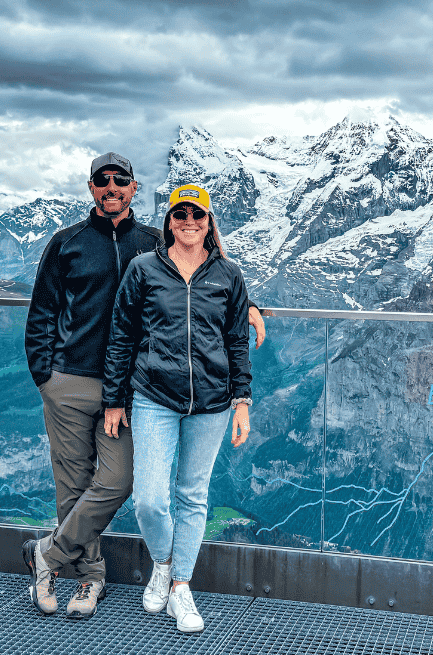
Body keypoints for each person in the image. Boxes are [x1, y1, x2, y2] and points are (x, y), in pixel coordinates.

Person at [23, 156, 264, 620]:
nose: (111, 187)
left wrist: (247, 304)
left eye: (120, 181)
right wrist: (46, 376)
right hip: (71, 382)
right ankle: (89, 580)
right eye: (102, 181)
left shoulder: (155, 242)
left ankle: (47, 555)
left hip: (132, 389)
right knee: (73, 484)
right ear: (92, 188)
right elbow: (42, 313)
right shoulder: (65, 243)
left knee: (115, 482)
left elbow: (203, 278)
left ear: (135, 189)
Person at [101, 184, 252, 633]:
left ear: (209, 222)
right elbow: (121, 335)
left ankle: (180, 586)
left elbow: (237, 342)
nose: (189, 221)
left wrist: (242, 401)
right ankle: (163, 564)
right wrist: (114, 399)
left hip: (212, 403)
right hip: (153, 397)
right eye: (181, 213)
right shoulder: (143, 269)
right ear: (169, 220)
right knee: (149, 499)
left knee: (192, 495)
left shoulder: (228, 274)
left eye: (198, 215)